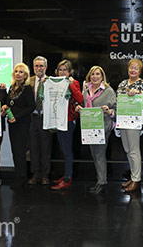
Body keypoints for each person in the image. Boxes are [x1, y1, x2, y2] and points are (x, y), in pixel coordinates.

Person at [76, 66, 117, 194]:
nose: (95, 76)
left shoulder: (108, 91)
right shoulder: (86, 89)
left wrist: (109, 111)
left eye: (98, 74)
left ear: (102, 77)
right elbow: (84, 105)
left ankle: (102, 182)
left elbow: (116, 110)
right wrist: (79, 108)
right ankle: (100, 180)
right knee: (94, 154)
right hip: (89, 126)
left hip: (103, 127)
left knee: (99, 155)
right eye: (92, 74)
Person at [117, 59, 143, 192]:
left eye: (136, 68)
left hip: (134, 122)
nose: (133, 70)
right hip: (123, 121)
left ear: (140, 71)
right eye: (131, 68)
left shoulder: (142, 84)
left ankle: (136, 180)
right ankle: (132, 176)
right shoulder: (123, 83)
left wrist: (138, 94)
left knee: (134, 151)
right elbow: (118, 99)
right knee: (127, 150)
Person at [51, 60, 84, 190]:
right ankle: (66, 174)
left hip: (69, 121)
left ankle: (67, 178)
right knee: (63, 150)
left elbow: (80, 98)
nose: (62, 72)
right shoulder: (54, 83)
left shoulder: (74, 82)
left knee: (67, 150)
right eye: (60, 70)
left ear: (70, 72)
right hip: (57, 120)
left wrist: (70, 85)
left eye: (65, 70)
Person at [4, 63, 35, 188]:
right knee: (14, 151)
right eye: (16, 71)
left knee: (20, 151)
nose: (18, 74)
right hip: (12, 123)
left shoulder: (27, 89)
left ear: (25, 75)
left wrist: (17, 117)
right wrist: (5, 107)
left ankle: (22, 178)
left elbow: (31, 107)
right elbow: (9, 103)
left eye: (21, 72)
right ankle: (18, 175)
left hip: (22, 123)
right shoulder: (11, 87)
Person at [28, 56, 53, 185]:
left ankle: (45, 175)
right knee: (33, 149)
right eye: (36, 66)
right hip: (32, 119)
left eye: (41, 66)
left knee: (45, 149)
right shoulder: (29, 81)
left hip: (46, 119)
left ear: (46, 67)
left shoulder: (52, 81)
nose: (39, 68)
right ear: (33, 67)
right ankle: (35, 174)